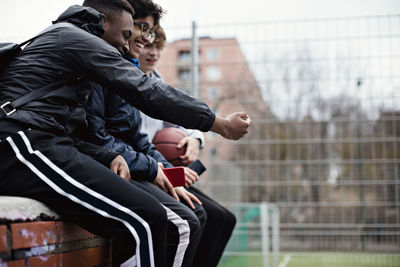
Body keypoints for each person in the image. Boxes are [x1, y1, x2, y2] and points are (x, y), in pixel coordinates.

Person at [0, 0, 250, 266]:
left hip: (44, 143)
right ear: (103, 22)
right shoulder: (75, 38)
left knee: (153, 215)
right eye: (126, 35)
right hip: (19, 144)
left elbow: (70, 133)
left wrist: (107, 156)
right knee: (150, 219)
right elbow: (146, 91)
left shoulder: (76, 53)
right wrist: (217, 123)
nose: (126, 44)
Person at [84, 1, 207, 266]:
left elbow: (140, 137)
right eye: (142, 30)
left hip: (142, 163)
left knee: (201, 213)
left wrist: (192, 142)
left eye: (153, 38)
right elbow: (98, 137)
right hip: (119, 166)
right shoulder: (104, 68)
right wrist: (156, 169)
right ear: (122, 26)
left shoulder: (143, 77)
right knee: (185, 222)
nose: (147, 43)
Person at [139, 25, 237, 267]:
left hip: (161, 166)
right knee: (200, 216)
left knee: (226, 218)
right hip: (146, 168)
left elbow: (182, 123)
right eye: (148, 46)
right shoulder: (126, 84)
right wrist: (166, 169)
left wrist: (195, 139)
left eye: (158, 47)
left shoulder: (157, 84)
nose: (154, 53)